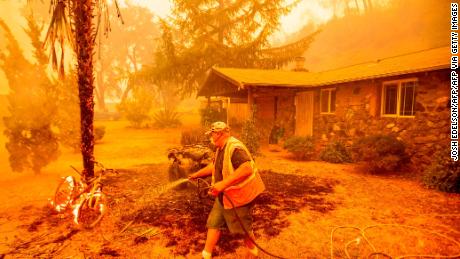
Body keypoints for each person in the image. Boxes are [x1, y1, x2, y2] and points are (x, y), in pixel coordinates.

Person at [188, 121, 265, 259]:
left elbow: (246, 168)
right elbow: (215, 165)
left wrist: (222, 184)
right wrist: (197, 174)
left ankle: (253, 252)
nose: (211, 137)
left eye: (212, 134)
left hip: (241, 196)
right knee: (214, 223)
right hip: (224, 196)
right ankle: (206, 255)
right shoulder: (220, 148)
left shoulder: (235, 148)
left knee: (243, 230)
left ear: (219, 134)